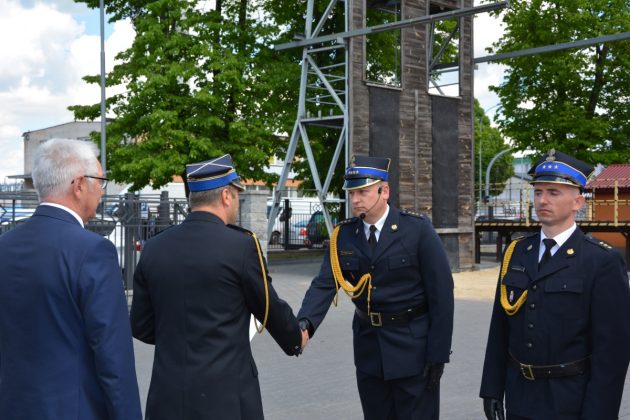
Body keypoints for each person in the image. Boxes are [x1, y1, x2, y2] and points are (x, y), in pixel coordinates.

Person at [130, 154, 308, 420]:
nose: (236, 201)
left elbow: (141, 326)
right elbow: (268, 306)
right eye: (236, 194)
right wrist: (296, 337)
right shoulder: (241, 246)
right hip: (227, 398)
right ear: (226, 195)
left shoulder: (154, 248)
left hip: (168, 397)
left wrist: (180, 337)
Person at [297, 155, 454, 419]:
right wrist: (304, 325)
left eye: (363, 191)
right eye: (352, 192)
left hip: (413, 350)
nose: (355, 199)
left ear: (385, 191)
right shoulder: (344, 235)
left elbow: (441, 294)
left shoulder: (417, 230)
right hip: (370, 350)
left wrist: (438, 353)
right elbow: (324, 284)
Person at [480, 149, 630, 419]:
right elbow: (500, 328)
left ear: (578, 202)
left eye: (553, 192)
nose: (542, 200)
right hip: (520, 397)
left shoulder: (601, 261)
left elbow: (613, 353)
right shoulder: (516, 253)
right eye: (538, 192)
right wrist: (491, 389)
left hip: (570, 401)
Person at [0, 138, 142, 419]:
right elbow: (113, 356)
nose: (101, 192)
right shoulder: (93, 251)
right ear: (78, 185)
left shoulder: (5, 246)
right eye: (100, 181)